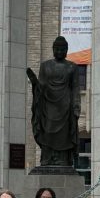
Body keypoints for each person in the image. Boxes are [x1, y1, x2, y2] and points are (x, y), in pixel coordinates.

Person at [26, 35, 81, 167]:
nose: (59, 52)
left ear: (67, 50)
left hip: (65, 105)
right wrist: (34, 82)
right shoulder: (45, 66)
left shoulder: (72, 67)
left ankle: (62, 160)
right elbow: (42, 86)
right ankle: (47, 158)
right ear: (53, 49)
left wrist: (76, 105)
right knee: (48, 130)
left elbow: (75, 88)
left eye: (62, 49)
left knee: (64, 134)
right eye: (57, 49)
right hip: (49, 104)